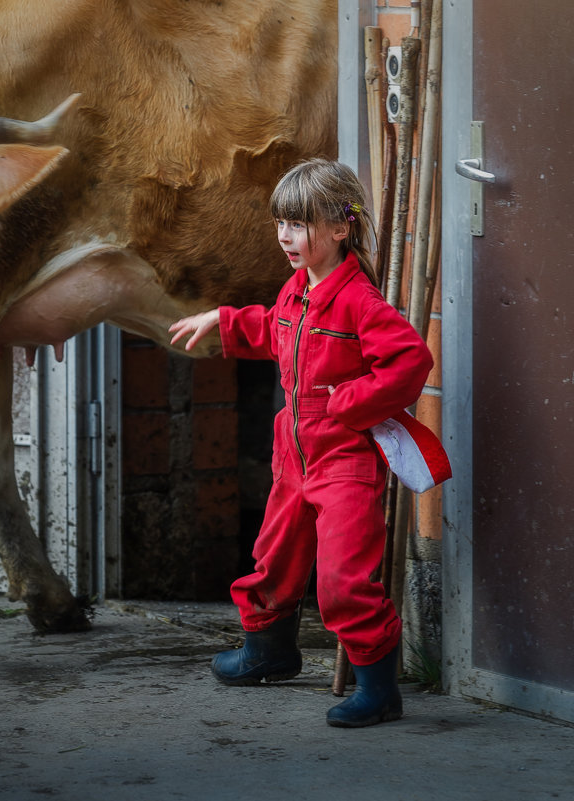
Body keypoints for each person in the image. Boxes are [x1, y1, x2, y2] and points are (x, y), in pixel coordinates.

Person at [169, 158, 433, 728]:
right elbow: (273, 329)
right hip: (293, 456)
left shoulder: (361, 302)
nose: (286, 236)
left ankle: (379, 690)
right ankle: (269, 652)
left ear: (340, 228)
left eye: (300, 224)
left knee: (342, 580)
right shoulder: (296, 292)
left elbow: (410, 361)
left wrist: (349, 403)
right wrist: (223, 317)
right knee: (273, 559)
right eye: (281, 224)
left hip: (344, 458)